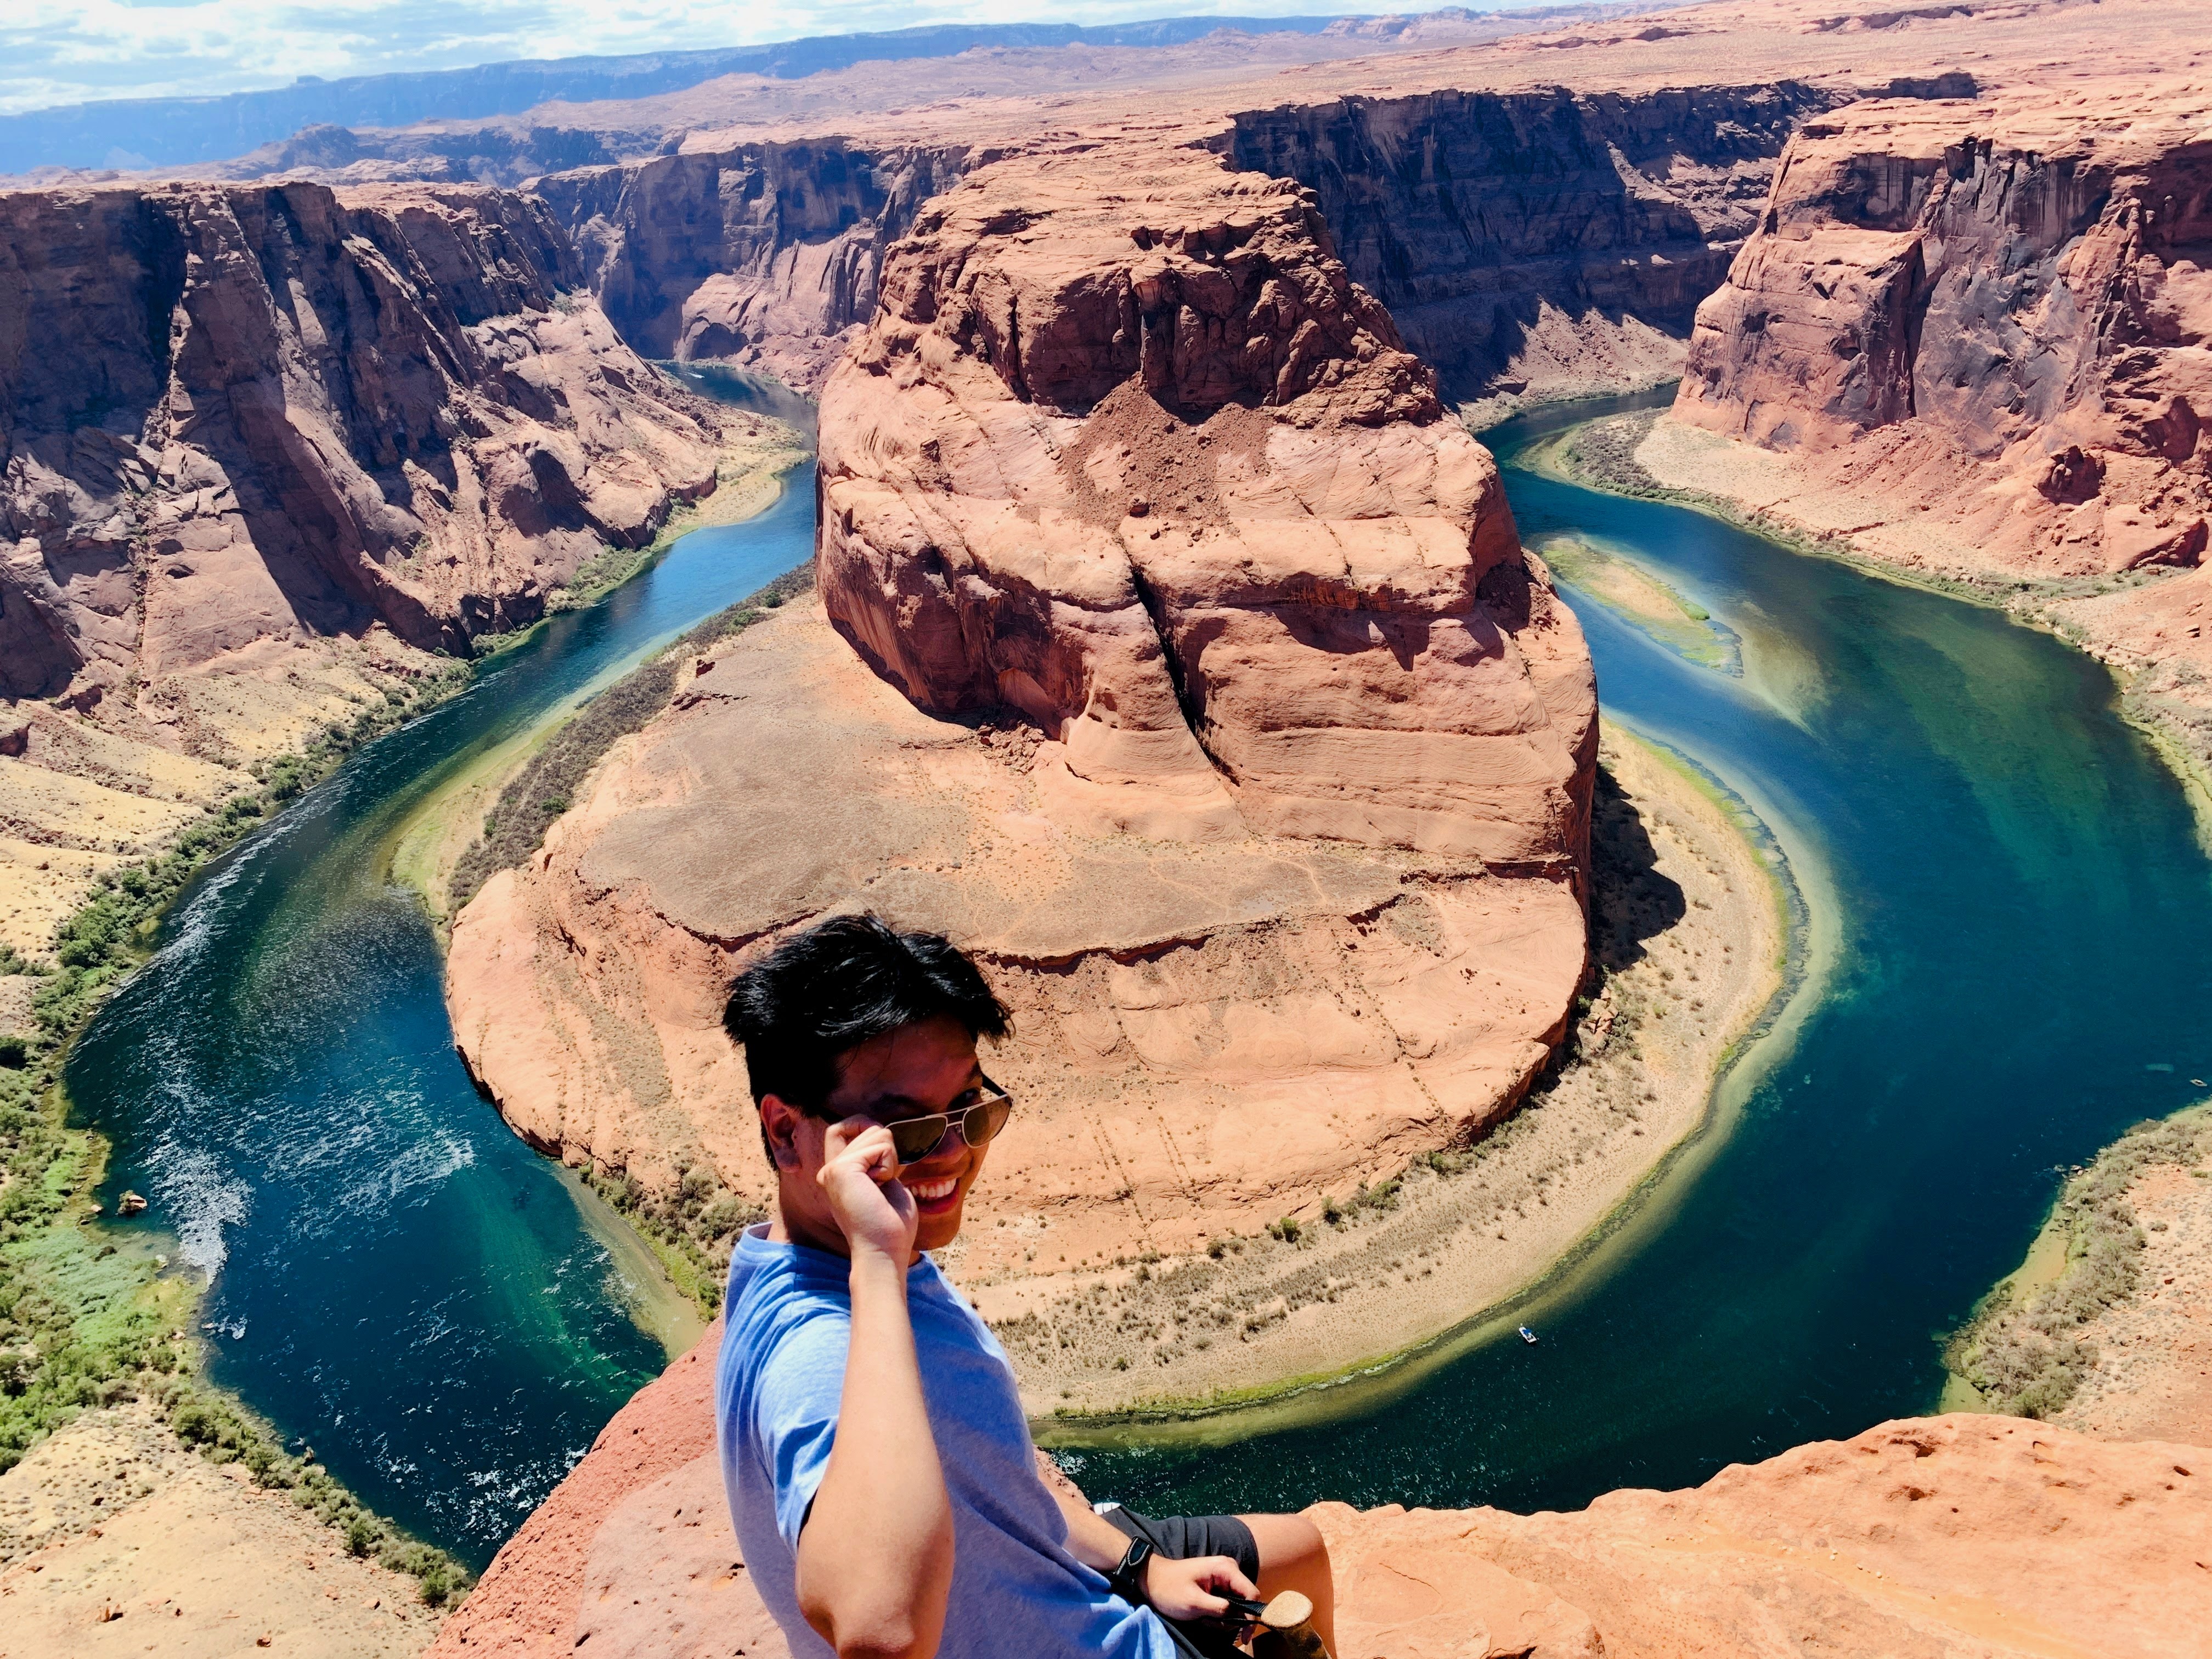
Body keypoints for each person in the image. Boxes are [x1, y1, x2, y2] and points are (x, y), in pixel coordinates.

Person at [715, 912, 1336, 1659]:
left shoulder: (794, 1254)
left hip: (1058, 1574)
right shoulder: (825, 1346)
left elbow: (993, 1489)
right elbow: (883, 1631)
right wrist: (877, 1260)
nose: (953, 1150)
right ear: (787, 1132)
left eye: (969, 1107)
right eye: (905, 1131)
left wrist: (1141, 1567)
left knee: (1298, 1549)